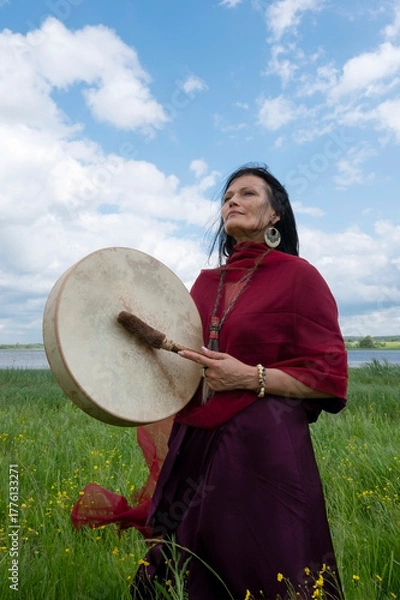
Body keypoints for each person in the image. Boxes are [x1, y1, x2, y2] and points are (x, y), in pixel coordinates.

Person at [128, 164, 348, 600]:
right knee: (187, 562)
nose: (232, 201)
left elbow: (329, 376)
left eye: (247, 194)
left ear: (274, 216)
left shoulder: (299, 277)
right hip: (195, 443)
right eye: (227, 196)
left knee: (266, 561)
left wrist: (251, 376)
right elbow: (183, 364)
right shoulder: (205, 283)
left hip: (263, 447)